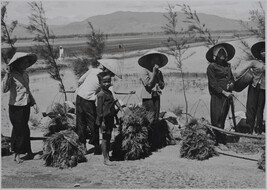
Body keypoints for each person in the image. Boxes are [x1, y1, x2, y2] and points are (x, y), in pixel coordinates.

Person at [75, 58, 122, 154]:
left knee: (80, 123)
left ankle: (83, 146)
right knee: (94, 123)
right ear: (109, 71)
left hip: (79, 97)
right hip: (88, 100)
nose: (112, 76)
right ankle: (96, 147)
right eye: (112, 73)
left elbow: (80, 81)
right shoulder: (105, 79)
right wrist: (120, 108)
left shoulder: (93, 70)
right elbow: (113, 98)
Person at [2, 52, 39, 163]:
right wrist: (7, 74)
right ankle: (17, 154)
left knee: (25, 129)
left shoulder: (25, 74)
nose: (26, 64)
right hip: (16, 106)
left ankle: (28, 152)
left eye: (27, 62)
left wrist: (33, 102)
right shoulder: (11, 75)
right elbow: (4, 89)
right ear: (17, 63)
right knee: (19, 130)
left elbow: (27, 90)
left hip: (25, 104)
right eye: (23, 62)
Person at [206, 43, 236, 146]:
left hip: (227, 95)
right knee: (216, 117)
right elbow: (213, 83)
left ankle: (221, 138)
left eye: (223, 52)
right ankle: (217, 140)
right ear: (215, 54)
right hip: (217, 95)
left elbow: (231, 77)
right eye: (220, 52)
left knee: (223, 117)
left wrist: (231, 84)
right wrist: (223, 92)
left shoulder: (227, 65)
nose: (222, 54)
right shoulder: (211, 66)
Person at [138, 50, 167, 122]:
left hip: (156, 96)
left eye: (158, 61)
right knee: (149, 118)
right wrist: (154, 73)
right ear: (150, 61)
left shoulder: (159, 72)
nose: (157, 63)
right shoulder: (144, 71)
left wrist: (158, 77)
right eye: (155, 60)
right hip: (148, 98)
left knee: (156, 118)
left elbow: (162, 86)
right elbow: (149, 85)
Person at [96, 72, 117, 166]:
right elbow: (100, 111)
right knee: (105, 139)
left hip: (110, 118)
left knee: (108, 138)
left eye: (108, 81)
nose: (107, 84)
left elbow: (112, 104)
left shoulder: (109, 92)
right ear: (100, 82)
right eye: (104, 82)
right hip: (104, 120)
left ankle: (108, 156)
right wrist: (102, 122)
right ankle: (106, 159)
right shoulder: (100, 95)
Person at [246, 41, 265, 134]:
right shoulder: (254, 62)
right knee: (251, 107)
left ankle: (259, 130)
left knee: (260, 109)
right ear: (259, 53)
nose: (264, 53)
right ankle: (250, 129)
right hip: (254, 87)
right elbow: (241, 71)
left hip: (263, 89)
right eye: (262, 51)